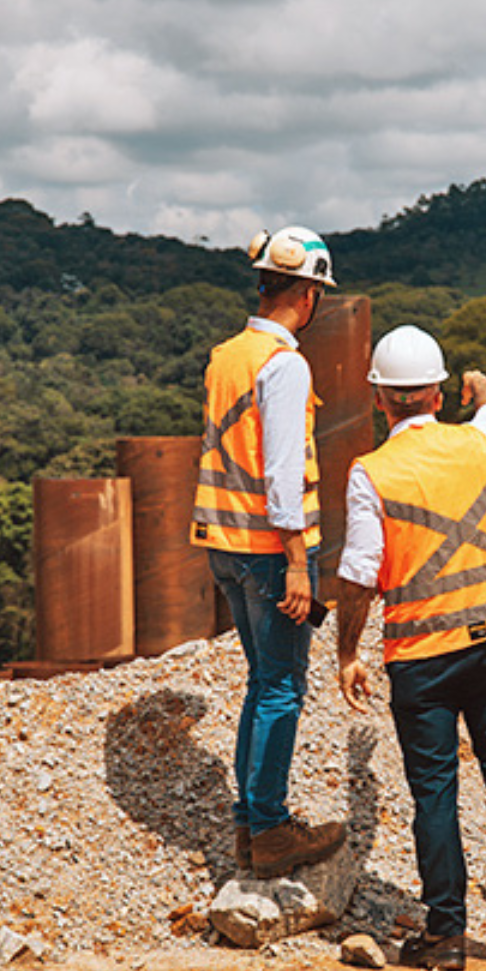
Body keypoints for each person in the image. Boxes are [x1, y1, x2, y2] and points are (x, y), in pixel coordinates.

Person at [333, 326, 486, 971]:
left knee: (435, 792)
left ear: (381, 402)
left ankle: (446, 935)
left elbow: (359, 572)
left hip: (419, 656)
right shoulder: (477, 442)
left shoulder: (371, 474)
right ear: (438, 394)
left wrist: (346, 653)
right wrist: (483, 385)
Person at [191, 225, 347, 880]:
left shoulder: (228, 354)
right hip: (265, 550)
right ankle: (272, 832)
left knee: (263, 685)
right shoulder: (284, 365)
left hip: (222, 546)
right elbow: (281, 473)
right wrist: (297, 562)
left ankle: (251, 826)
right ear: (307, 295)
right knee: (282, 689)